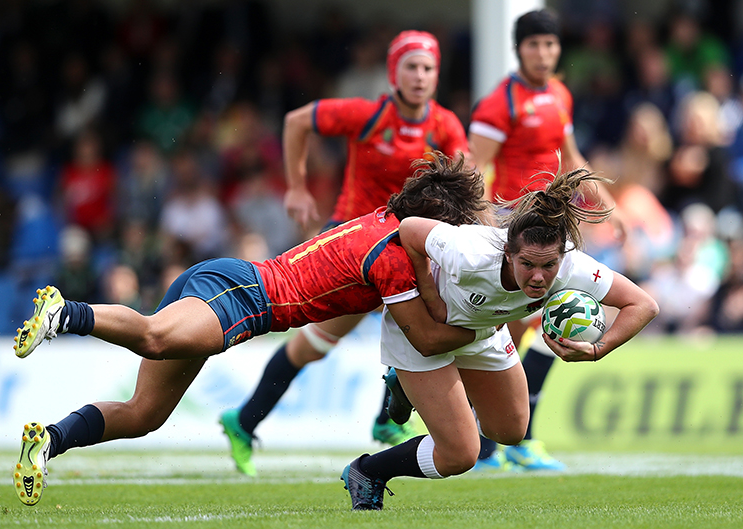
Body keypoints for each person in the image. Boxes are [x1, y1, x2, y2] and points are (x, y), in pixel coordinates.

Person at [10, 152, 488, 507]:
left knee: (144, 414)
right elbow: (426, 337)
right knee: (155, 337)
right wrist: (492, 320)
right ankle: (65, 312)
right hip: (244, 294)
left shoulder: (386, 226)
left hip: (230, 285)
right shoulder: (393, 257)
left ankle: (49, 441)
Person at [218, 29, 469, 477]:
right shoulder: (368, 115)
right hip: (353, 245)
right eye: (411, 66)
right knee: (321, 342)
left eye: (428, 68)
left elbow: (468, 182)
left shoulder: (444, 125)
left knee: (422, 322)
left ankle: (378, 419)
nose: (420, 75)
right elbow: (297, 121)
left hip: (404, 247)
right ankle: (250, 420)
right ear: (394, 73)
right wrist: (296, 187)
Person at [341, 166, 660, 511]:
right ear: (508, 253)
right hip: (427, 332)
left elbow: (643, 304)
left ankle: (410, 388)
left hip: (482, 332)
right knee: (460, 455)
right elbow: (409, 229)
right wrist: (430, 295)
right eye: (528, 264)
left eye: (549, 266)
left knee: (510, 431)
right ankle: (368, 471)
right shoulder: (469, 253)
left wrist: (599, 349)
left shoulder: (573, 266)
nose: (539, 277)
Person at [466, 8, 623, 471]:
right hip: (514, 233)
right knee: (509, 335)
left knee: (544, 326)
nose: (543, 52)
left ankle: (509, 441)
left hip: (552, 230)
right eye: (534, 44)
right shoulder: (499, 103)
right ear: (519, 49)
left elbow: (570, 157)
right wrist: (484, 224)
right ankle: (496, 440)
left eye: (550, 44)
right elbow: (474, 169)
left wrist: (608, 205)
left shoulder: (559, 94)